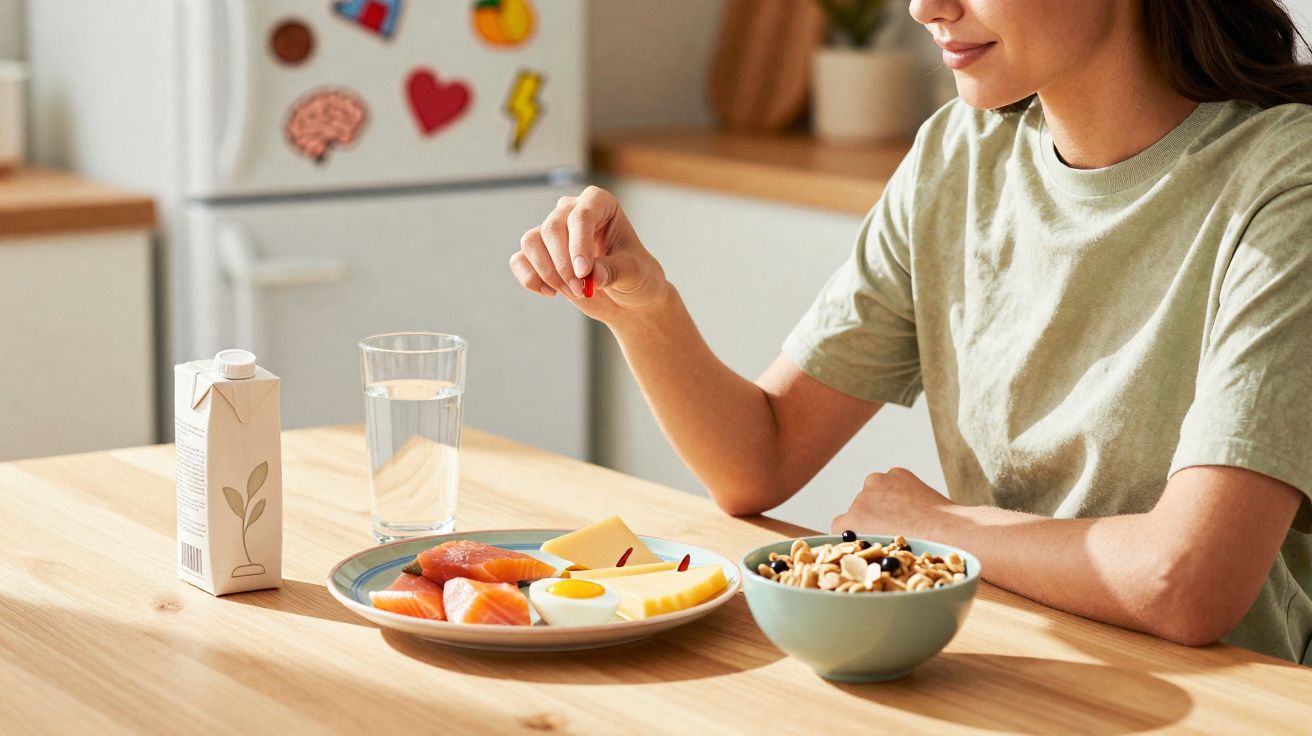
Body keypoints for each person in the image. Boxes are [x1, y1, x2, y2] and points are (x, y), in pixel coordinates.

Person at [508, 0, 1312, 664]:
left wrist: (937, 527)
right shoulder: (957, 157)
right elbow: (758, 460)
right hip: (1010, 666)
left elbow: (1189, 581)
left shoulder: (1286, 183)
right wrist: (645, 309)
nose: (925, 8)